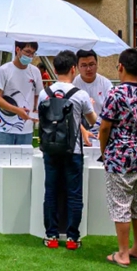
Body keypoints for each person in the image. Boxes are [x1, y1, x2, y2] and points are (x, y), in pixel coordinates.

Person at [38, 50, 97, 250]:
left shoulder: (44, 93)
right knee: (74, 194)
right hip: (74, 152)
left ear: (54, 69)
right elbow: (92, 121)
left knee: (51, 192)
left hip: (50, 150)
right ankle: (73, 238)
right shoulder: (80, 95)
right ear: (74, 69)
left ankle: (51, 236)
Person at [99, 48, 137, 267]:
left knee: (120, 203)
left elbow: (104, 127)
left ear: (121, 66)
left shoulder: (116, 93)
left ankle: (123, 252)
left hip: (119, 155)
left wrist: (104, 151)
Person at [0, 41, 44, 162]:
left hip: (26, 128)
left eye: (33, 54)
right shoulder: (4, 70)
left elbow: (38, 95)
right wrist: (17, 110)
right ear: (17, 50)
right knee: (0, 164)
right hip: (4, 127)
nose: (30, 56)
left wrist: (36, 111)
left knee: (23, 166)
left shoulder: (35, 72)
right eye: (27, 52)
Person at [73, 49, 113, 145]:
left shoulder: (106, 84)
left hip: (102, 131)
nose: (88, 69)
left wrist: (103, 129)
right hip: (79, 132)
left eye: (91, 64)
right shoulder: (73, 84)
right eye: (84, 65)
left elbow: (111, 110)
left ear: (97, 64)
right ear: (77, 67)